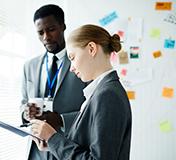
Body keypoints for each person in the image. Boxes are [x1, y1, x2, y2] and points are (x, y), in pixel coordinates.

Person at [31, 24, 132, 160]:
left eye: (72, 58)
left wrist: (53, 137)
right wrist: (51, 144)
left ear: (91, 49)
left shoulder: (107, 95)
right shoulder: (101, 91)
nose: (71, 68)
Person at [20, 4, 86, 160]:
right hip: (37, 150)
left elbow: (91, 110)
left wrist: (61, 120)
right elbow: (23, 103)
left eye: (51, 30)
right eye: (40, 32)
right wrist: (26, 113)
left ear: (63, 26)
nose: (46, 37)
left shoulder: (82, 64)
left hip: (69, 147)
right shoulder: (29, 66)